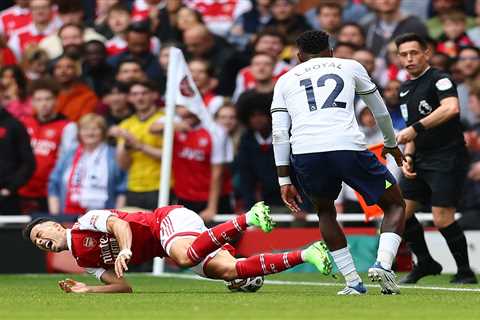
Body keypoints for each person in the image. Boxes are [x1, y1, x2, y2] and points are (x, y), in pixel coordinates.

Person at [271, 30, 406, 295]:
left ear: (299, 57)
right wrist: (391, 143)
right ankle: (383, 264)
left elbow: (279, 132)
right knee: (394, 204)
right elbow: (379, 110)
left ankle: (353, 282)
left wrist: (284, 179)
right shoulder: (350, 66)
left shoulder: (285, 80)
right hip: (347, 146)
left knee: (325, 212)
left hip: (306, 152)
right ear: (330, 52)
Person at [23, 202, 332, 293]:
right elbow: (123, 287)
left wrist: (126, 250)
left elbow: (120, 225)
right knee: (226, 271)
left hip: (168, 221)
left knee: (183, 256)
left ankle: (248, 217)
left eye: (40, 233)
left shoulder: (85, 220)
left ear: (53, 224)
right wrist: (87, 290)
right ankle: (308, 253)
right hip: (175, 243)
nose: (41, 241)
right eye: (37, 243)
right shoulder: (84, 260)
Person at [394, 33, 477, 284]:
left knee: (442, 217)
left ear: (426, 53)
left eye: (414, 53)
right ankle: (427, 262)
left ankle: (465, 271)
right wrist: (408, 157)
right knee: (399, 214)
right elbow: (410, 131)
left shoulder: (440, 79)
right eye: (403, 54)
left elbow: (451, 108)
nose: (409, 58)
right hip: (419, 157)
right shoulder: (404, 89)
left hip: (447, 156)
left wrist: (416, 129)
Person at [48, 114, 127, 215]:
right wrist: (56, 216)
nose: (90, 133)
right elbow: (54, 184)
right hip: (69, 216)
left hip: (105, 217)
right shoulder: (69, 154)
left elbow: (121, 189)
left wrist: (118, 216)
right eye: (85, 129)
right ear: (79, 132)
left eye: (95, 129)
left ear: (103, 132)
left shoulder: (113, 155)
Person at [18, 78, 77, 214]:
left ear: (56, 100)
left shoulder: (68, 126)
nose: (43, 104)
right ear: (32, 102)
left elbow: (67, 163)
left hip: (48, 193)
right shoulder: (23, 122)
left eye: (48, 99)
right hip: (22, 189)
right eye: (38, 99)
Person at [114, 81, 163, 210]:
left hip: (161, 187)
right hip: (133, 187)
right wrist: (126, 147)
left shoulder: (165, 120)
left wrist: (140, 146)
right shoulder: (126, 124)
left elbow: (170, 156)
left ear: (154, 95)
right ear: (129, 98)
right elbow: (123, 165)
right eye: (135, 94)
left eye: (144, 93)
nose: (139, 98)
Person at [0, 82, 36, 214]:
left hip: (6, 199)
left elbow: (29, 163)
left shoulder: (15, 126)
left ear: (2, 95)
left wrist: (10, 188)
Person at [53, 54, 98, 122]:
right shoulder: (48, 94)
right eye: (58, 67)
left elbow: (85, 121)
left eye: (69, 67)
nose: (63, 71)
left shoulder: (87, 95)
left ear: (77, 72)